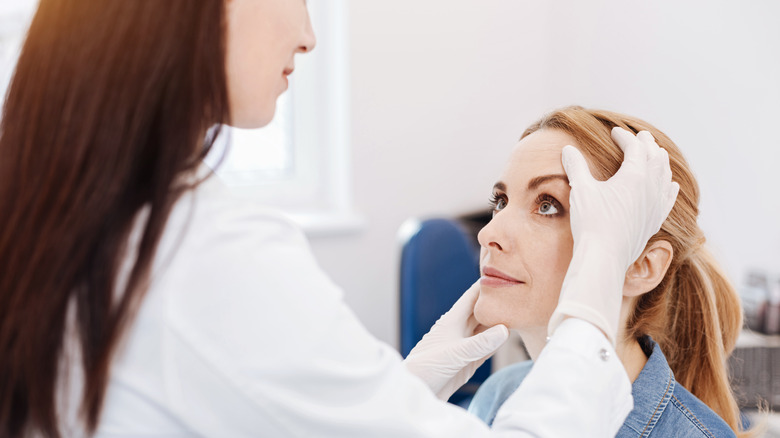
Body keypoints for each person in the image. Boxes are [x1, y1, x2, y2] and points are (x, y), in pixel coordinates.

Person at [0, 2, 677, 437]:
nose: (308, 32)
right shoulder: (204, 254)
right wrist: (590, 299)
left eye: (551, 205)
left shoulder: (91, 218)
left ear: (643, 265)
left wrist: (410, 384)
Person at [468, 106, 757, 437]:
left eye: (548, 205)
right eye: (501, 201)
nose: (487, 234)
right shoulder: (499, 395)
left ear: (641, 266)